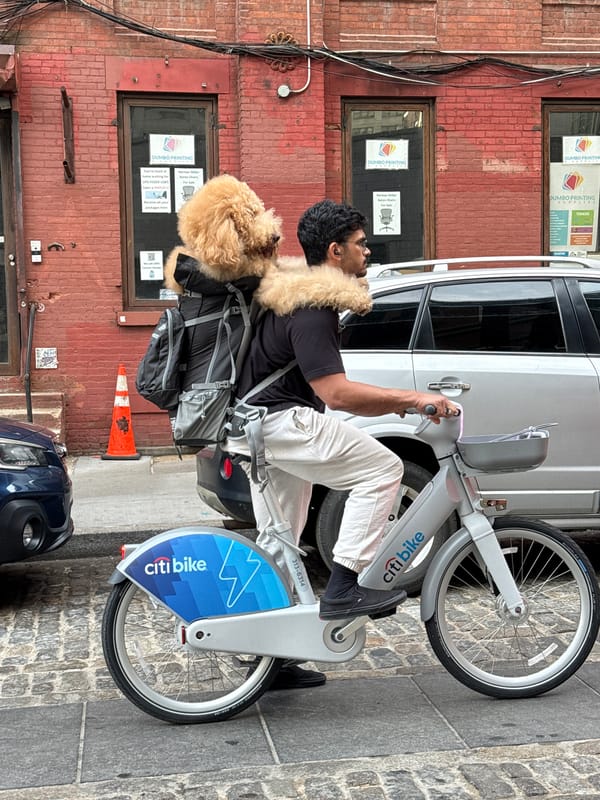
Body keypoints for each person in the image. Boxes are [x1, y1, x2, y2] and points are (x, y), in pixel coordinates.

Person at [226, 199, 458, 689]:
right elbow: (336, 392)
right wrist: (413, 399)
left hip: (256, 426)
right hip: (281, 423)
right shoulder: (312, 305)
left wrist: (396, 402)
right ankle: (343, 587)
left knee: (278, 542)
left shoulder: (290, 294)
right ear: (335, 251)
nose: (367, 252)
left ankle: (267, 659)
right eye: (360, 244)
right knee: (382, 470)